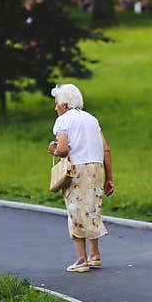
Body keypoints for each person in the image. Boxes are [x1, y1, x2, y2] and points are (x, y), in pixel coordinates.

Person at [47, 83, 115, 273]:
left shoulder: (63, 121)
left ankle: (81, 260)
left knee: (75, 212)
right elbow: (106, 150)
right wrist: (109, 178)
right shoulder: (92, 120)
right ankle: (95, 255)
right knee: (92, 210)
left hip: (77, 170)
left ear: (64, 104)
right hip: (96, 169)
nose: (55, 108)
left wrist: (54, 150)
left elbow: (63, 149)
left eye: (56, 103)